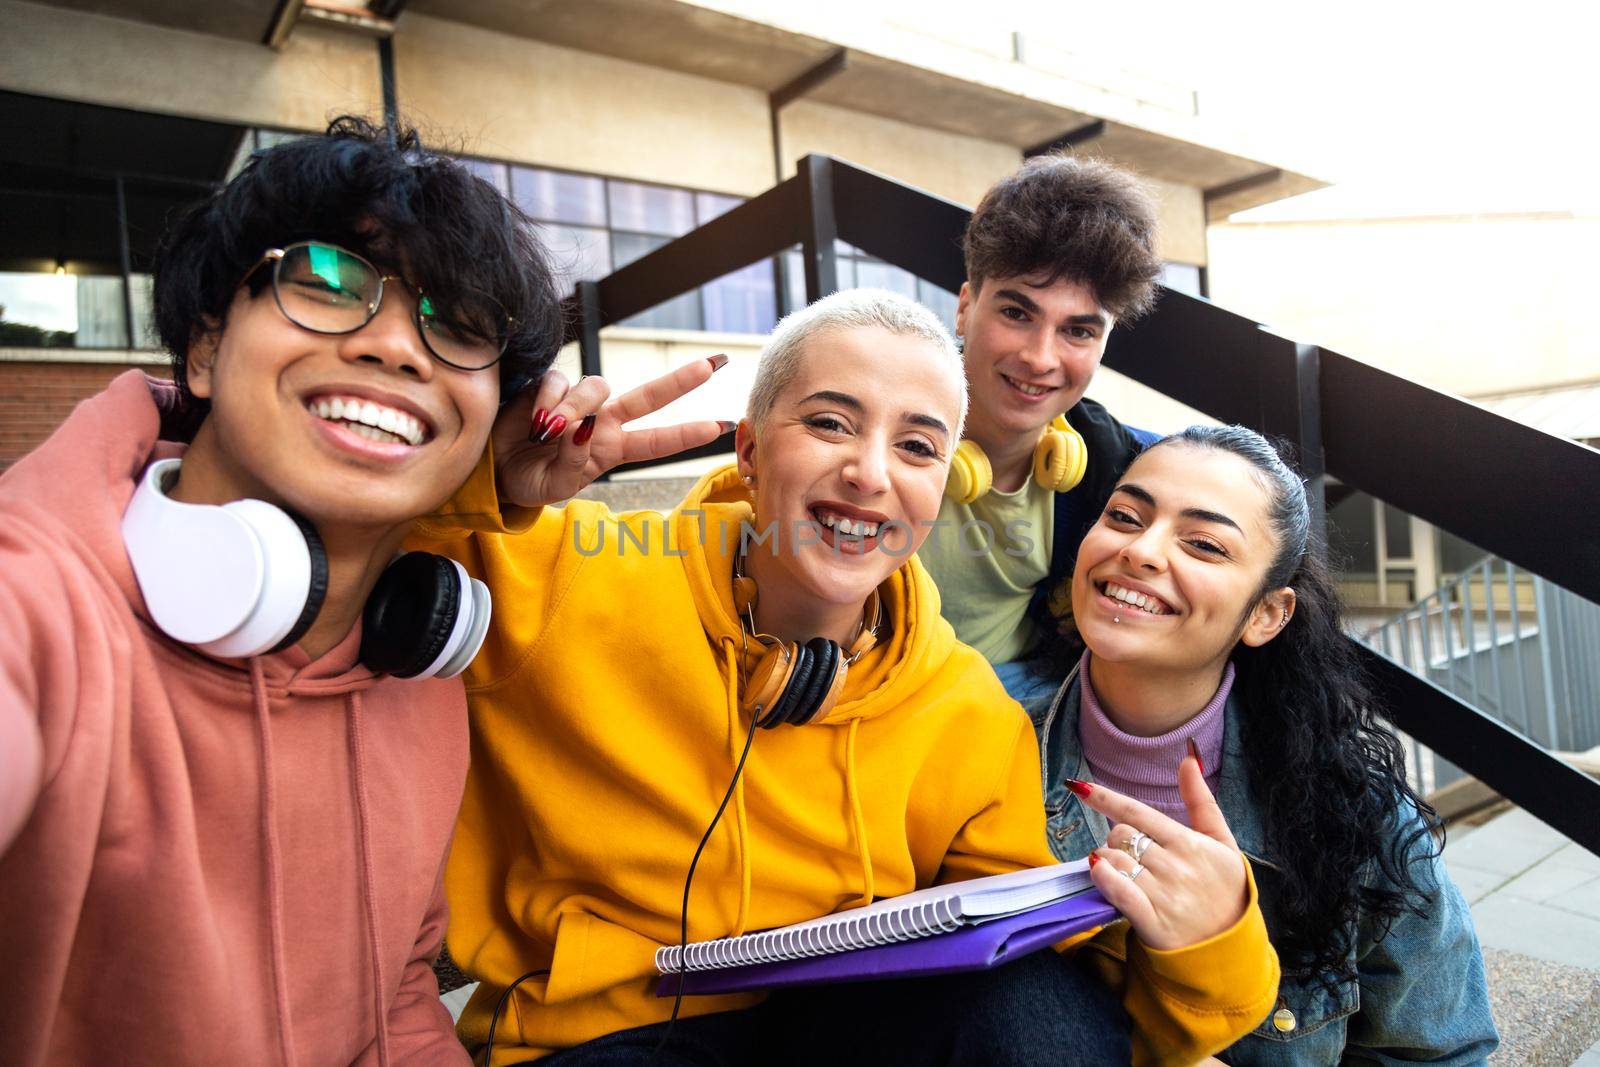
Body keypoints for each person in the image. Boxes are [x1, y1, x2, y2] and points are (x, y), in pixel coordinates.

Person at [409, 288, 1281, 1065]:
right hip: (604, 1038)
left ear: (943, 484)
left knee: (1035, 1008)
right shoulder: (564, 577)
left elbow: (1059, 1013)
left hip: (840, 1029)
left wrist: (1208, 939)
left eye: (917, 447)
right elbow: (341, 558)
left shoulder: (968, 710)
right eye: (829, 423)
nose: (870, 474)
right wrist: (484, 482)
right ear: (749, 450)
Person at [0, 118, 566, 1064]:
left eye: (458, 327)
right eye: (328, 285)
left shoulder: (417, 678)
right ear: (205, 349)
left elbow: (396, 1004)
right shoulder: (42, 603)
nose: (398, 349)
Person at [1034, 425, 1498, 1063]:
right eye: (1124, 515)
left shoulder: (1360, 816)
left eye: (1203, 543)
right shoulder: (989, 752)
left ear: (1266, 615)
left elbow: (1440, 1053)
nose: (1141, 550)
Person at [917, 152, 1163, 715]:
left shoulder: (1109, 459)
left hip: (1026, 694)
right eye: (1017, 313)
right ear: (964, 308)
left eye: (1078, 330)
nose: (1040, 358)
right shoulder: (875, 423)